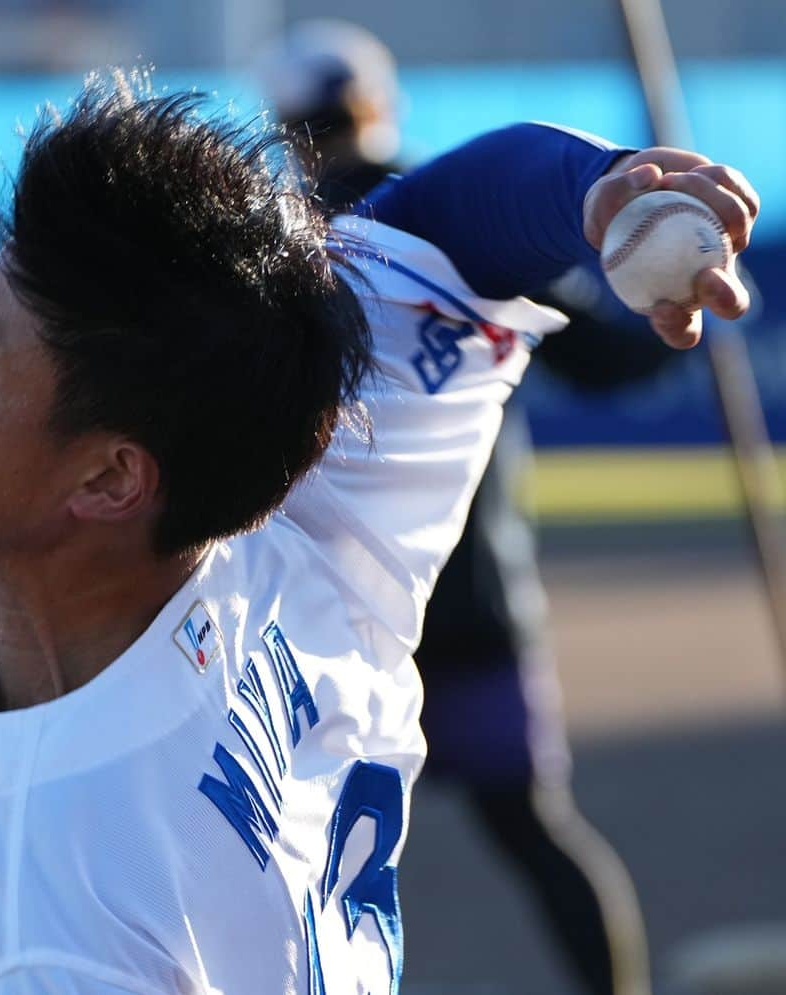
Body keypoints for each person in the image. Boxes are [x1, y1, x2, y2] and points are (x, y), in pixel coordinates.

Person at [0, 69, 756, 995]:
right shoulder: (291, 514)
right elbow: (453, 224)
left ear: (111, 475)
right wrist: (602, 190)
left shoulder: (60, 920)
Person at [259, 22, 683, 994]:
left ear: (287, 122)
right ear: (376, 104)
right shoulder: (459, 221)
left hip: (313, 617)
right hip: (467, 596)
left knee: (282, 867)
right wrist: (683, 308)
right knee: (535, 830)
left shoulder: (266, 237)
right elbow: (605, 358)